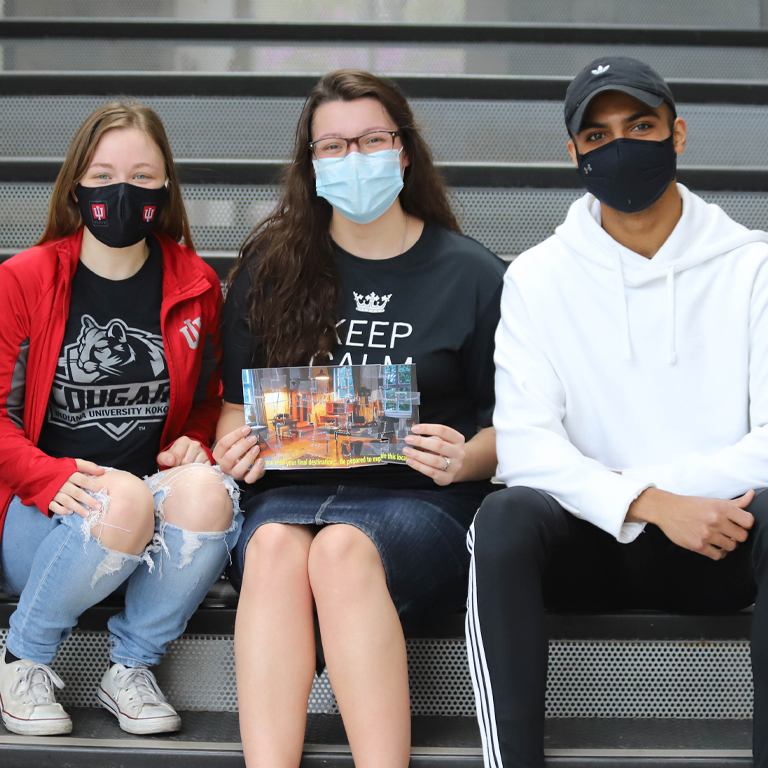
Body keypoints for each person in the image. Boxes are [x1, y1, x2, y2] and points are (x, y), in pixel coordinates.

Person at [466, 56, 768, 768]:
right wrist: (650, 501)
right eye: (597, 136)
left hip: (718, 540)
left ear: (678, 133)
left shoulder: (753, 266)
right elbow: (526, 447)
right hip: (591, 541)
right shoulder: (539, 277)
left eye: (640, 125)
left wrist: (685, 501)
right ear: (573, 153)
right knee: (502, 521)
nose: (620, 146)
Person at [214, 70, 504, 767]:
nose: (355, 157)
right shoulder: (271, 267)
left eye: (371, 140)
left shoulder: (473, 275)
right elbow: (231, 411)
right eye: (334, 146)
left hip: (421, 501)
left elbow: (514, 428)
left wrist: (468, 457)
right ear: (311, 163)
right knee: (278, 550)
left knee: (341, 550)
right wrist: (234, 448)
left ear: (403, 152)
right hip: (286, 494)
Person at [0, 103, 241, 737]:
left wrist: (194, 441)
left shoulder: (195, 283)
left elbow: (211, 399)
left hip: (148, 510)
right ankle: (23, 656)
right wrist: (43, 477)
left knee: (209, 490)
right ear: (76, 184)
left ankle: (130, 668)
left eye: (142, 175)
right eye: (103, 174)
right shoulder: (24, 280)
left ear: (165, 188)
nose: (122, 191)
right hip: (43, 511)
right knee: (124, 496)